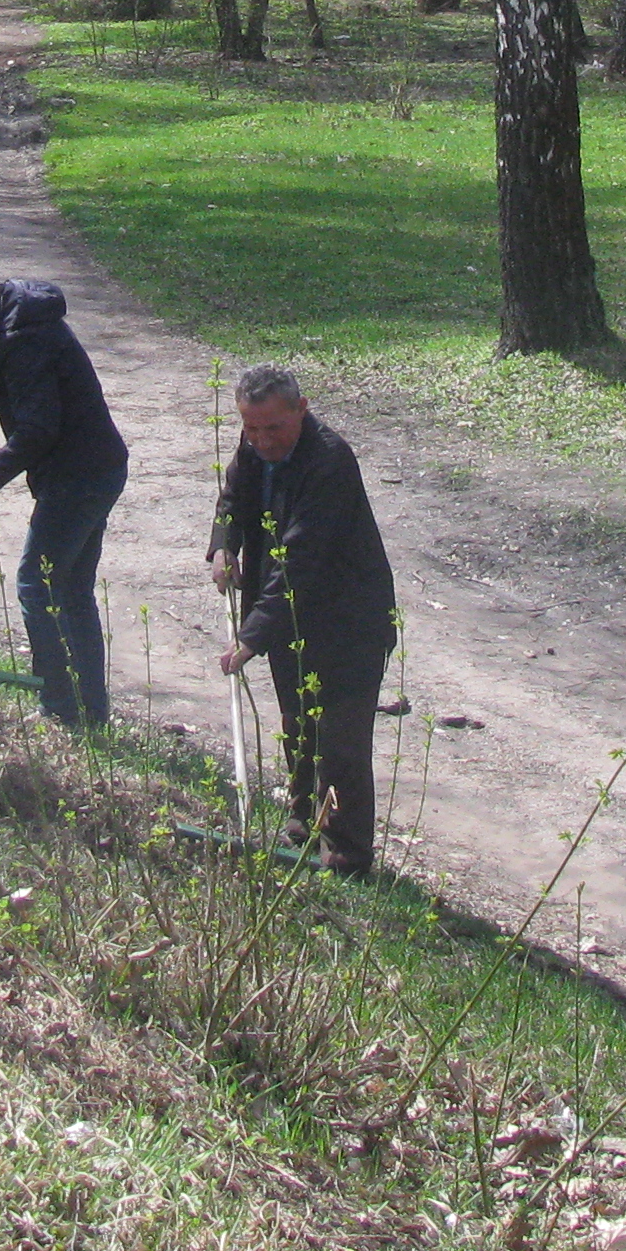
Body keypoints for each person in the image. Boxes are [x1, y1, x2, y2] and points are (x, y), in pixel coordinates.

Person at [209, 365, 396, 876]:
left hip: (347, 623)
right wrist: (224, 547)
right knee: (298, 730)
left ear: (302, 409)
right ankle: (301, 830)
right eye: (252, 428)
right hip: (291, 624)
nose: (263, 440)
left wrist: (250, 637)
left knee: (339, 746)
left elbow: (301, 559)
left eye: (274, 428)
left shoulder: (329, 461)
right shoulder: (253, 449)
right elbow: (232, 499)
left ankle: (346, 861)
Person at [0, 267, 128, 731]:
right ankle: (89, 713)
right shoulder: (15, 322)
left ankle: (60, 708)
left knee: (36, 585)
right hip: (94, 466)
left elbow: (38, 429)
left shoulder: (24, 336)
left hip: (79, 475)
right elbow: (22, 382)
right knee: (70, 589)